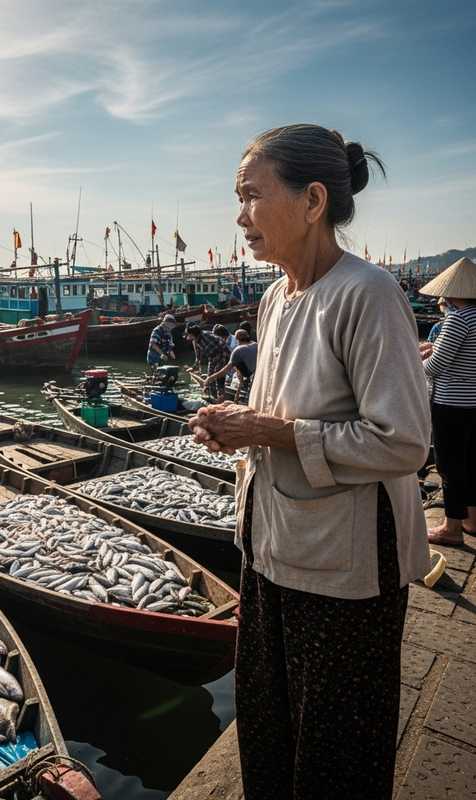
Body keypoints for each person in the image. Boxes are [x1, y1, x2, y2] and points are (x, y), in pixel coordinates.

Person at [188, 124, 430, 799]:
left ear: (314, 200)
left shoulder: (369, 294)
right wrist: (239, 433)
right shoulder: (275, 297)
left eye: (251, 196)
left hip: (347, 569)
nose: (240, 216)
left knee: (335, 753)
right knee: (269, 732)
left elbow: (405, 442)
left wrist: (273, 431)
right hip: (269, 549)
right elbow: (285, 414)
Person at [418, 258, 476, 546]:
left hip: (452, 404)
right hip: (474, 403)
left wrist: (421, 357)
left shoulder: (458, 319)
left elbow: (436, 367)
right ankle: (471, 520)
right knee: (471, 462)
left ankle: (451, 529)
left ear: (452, 292)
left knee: (450, 466)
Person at [184, 321, 230, 400]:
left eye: (189, 335)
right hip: (212, 358)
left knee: (218, 375)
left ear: (194, 334)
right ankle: (212, 397)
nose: (188, 337)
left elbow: (223, 343)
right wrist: (195, 367)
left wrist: (219, 355)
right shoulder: (195, 341)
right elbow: (198, 356)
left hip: (223, 355)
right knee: (209, 379)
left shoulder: (207, 336)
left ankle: (220, 396)